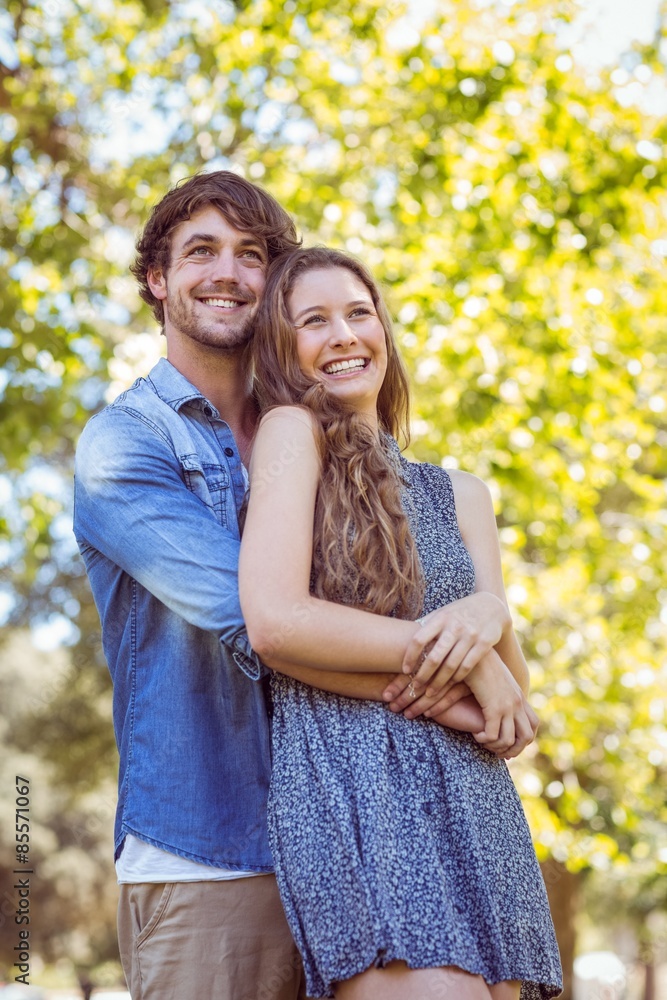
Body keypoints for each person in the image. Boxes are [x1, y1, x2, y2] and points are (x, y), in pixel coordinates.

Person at [73, 171, 539, 999]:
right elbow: (266, 620)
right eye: (200, 252)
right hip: (217, 850)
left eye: (251, 255)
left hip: (375, 826)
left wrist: (485, 612)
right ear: (157, 279)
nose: (227, 273)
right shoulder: (125, 447)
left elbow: (394, 598)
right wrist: (470, 673)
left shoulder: (328, 431)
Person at [239, 246, 563, 1000]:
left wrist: (488, 614)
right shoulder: (294, 434)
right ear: (283, 349)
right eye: (313, 321)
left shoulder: (462, 494)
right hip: (358, 790)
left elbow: (509, 711)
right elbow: (276, 623)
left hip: (477, 805)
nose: (345, 334)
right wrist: (463, 656)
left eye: (358, 312)